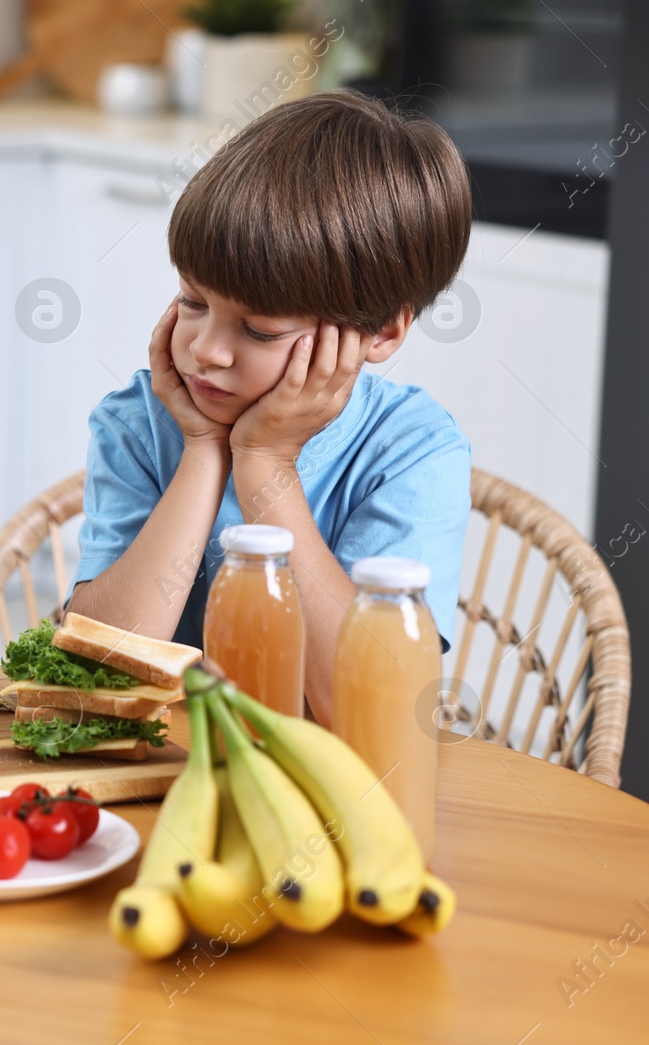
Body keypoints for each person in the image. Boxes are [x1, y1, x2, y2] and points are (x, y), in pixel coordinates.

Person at [66, 90, 473, 724]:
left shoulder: (413, 451)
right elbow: (96, 674)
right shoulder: (138, 422)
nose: (205, 350)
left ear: (382, 334)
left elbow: (368, 711)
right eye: (193, 302)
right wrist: (203, 452)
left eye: (258, 331)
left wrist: (263, 462)